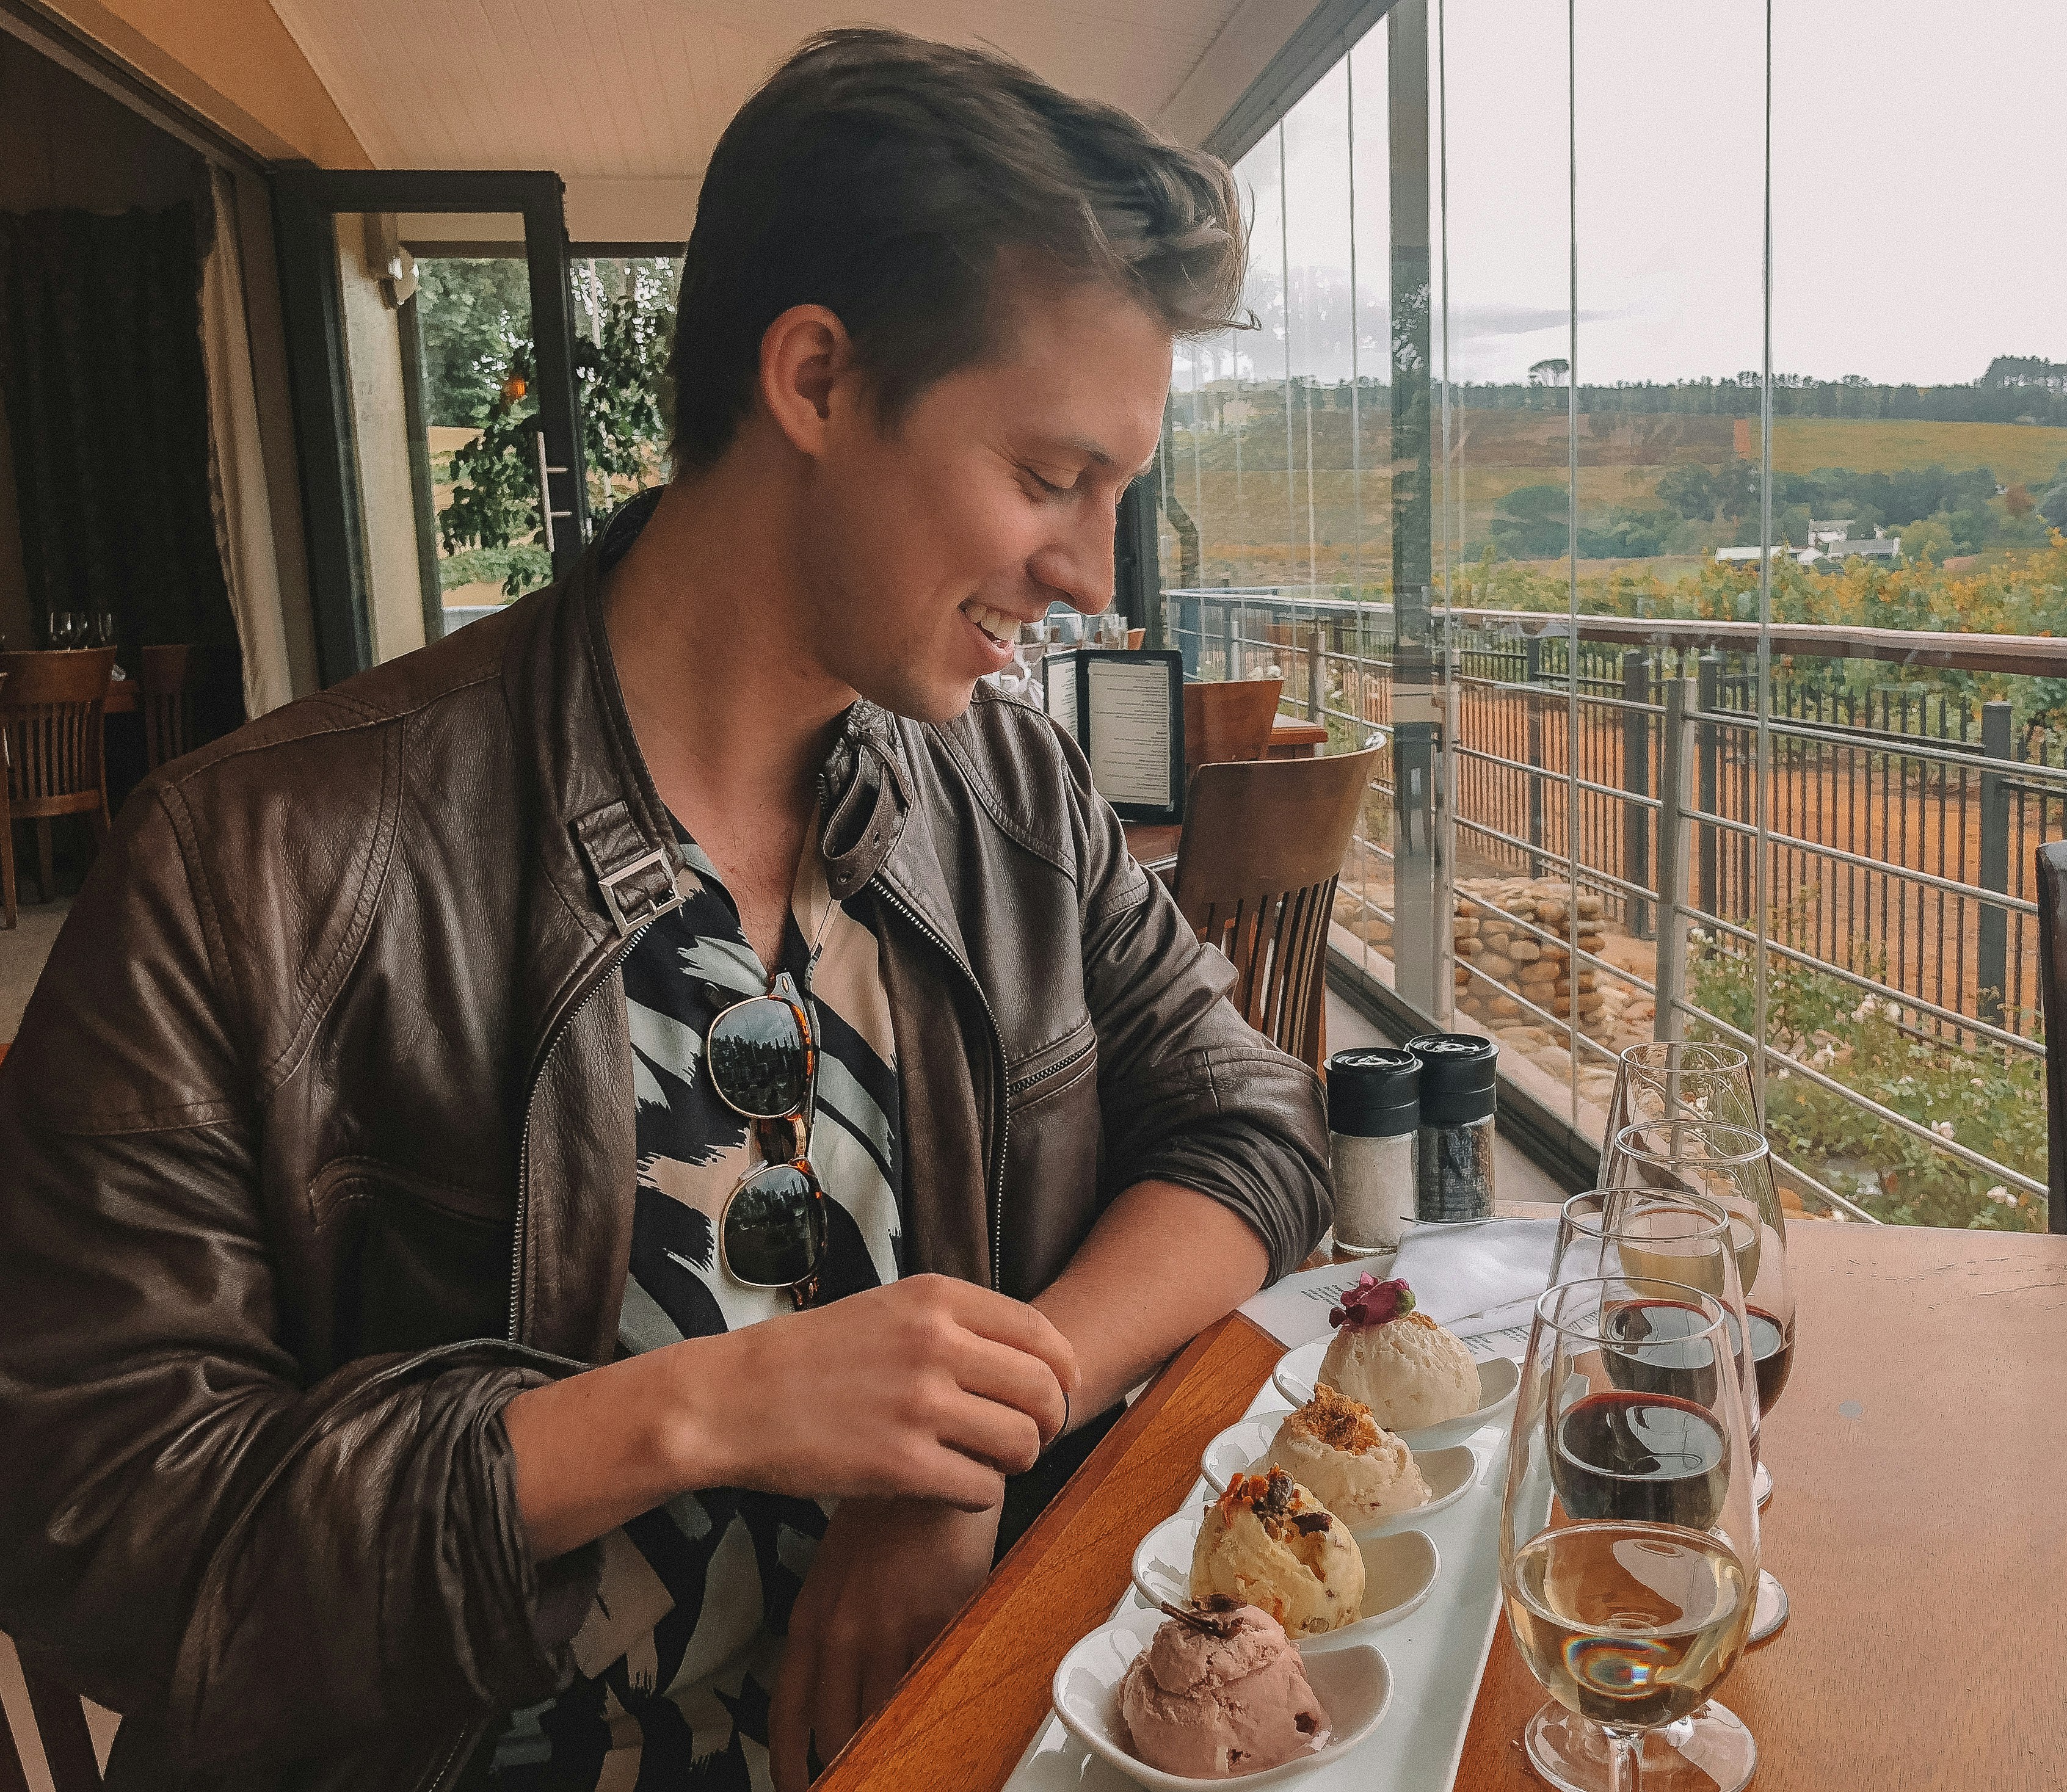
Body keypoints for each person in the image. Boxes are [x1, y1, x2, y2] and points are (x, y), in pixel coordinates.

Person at [0, 29, 1329, 1792]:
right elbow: (94, 1534)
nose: (1090, 576)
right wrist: (703, 1408)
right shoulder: (246, 867)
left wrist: (957, 1436)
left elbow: (1249, 1124)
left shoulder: (1010, 796)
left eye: (1115, 494)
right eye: (1047, 478)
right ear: (814, 380)